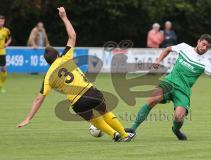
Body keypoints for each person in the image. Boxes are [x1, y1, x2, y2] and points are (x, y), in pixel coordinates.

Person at [17, 7, 135, 142]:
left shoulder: (48, 76)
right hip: (90, 92)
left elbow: (39, 99)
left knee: (93, 119)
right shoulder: (65, 57)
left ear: (47, 62)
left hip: (77, 103)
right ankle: (124, 135)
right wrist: (64, 17)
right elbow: (72, 35)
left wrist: (28, 118)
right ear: (57, 54)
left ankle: (115, 135)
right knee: (105, 112)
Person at [127, 34, 211, 140]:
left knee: (179, 117)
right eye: (204, 44)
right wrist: (158, 60)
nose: (205, 48)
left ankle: (176, 130)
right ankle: (132, 129)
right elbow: (168, 49)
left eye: (208, 47)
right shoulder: (184, 47)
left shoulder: (205, 63)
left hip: (183, 91)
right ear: (198, 42)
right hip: (169, 82)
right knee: (153, 99)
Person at [0, 15, 12, 93]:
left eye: (2, 21)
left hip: (2, 52)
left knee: (4, 69)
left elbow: (10, 38)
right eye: (0, 21)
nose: (1, 22)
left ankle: (1, 86)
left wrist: (7, 44)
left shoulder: (6, 30)